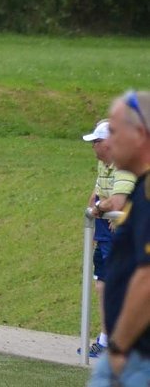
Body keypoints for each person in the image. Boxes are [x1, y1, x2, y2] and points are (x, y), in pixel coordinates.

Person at [88, 90, 150, 386]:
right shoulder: (141, 188)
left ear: (140, 135)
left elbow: (146, 277)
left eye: (114, 132)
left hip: (136, 355)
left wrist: (119, 346)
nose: (108, 143)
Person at [79, 119, 135, 358]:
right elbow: (98, 196)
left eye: (97, 141)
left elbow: (118, 201)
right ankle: (106, 339)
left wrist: (102, 208)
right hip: (105, 231)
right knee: (103, 285)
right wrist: (97, 213)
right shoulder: (104, 164)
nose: (93, 146)